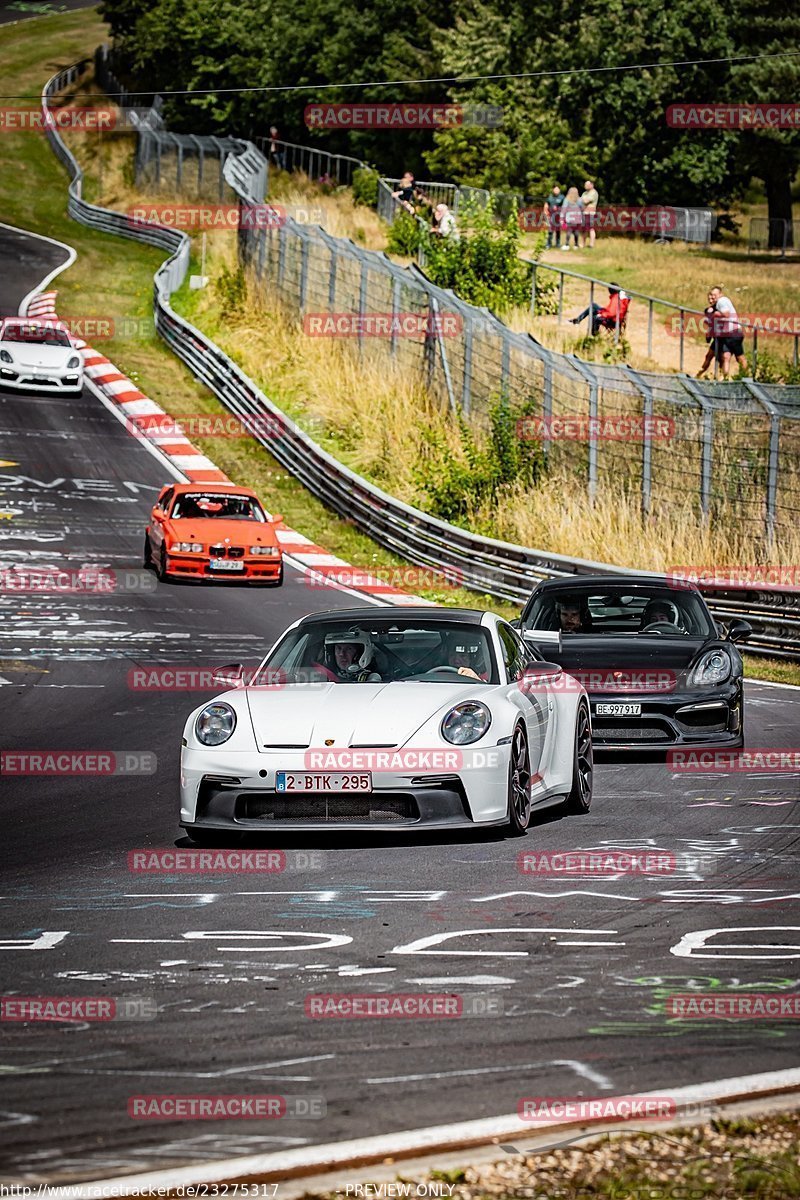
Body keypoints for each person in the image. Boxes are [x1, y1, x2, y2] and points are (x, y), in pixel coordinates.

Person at [707, 285, 747, 380]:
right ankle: (725, 378)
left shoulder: (722, 301)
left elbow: (726, 314)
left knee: (740, 357)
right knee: (726, 357)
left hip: (733, 333)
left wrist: (716, 314)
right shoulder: (719, 303)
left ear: (720, 294)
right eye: (711, 295)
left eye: (715, 295)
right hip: (727, 334)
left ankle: (746, 377)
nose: (713, 297)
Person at [317, 630, 382, 682]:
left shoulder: (372, 679)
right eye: (338, 648)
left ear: (361, 653)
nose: (341, 654)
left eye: (349, 649)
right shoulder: (321, 678)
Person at [580, 179, 599, 248]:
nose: (585, 186)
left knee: (591, 228)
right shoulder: (584, 193)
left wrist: (581, 199)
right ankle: (582, 244)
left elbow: (585, 201)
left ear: (591, 185)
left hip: (591, 213)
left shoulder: (594, 193)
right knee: (583, 229)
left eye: (587, 184)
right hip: (584, 213)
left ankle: (591, 244)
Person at [544, 184, 564, 249]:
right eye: (555, 189)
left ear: (559, 190)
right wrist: (546, 214)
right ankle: (548, 244)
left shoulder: (562, 197)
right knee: (550, 230)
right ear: (553, 190)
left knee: (558, 230)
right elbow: (546, 206)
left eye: (557, 189)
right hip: (551, 216)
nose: (556, 190)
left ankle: (558, 244)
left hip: (558, 216)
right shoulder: (550, 197)